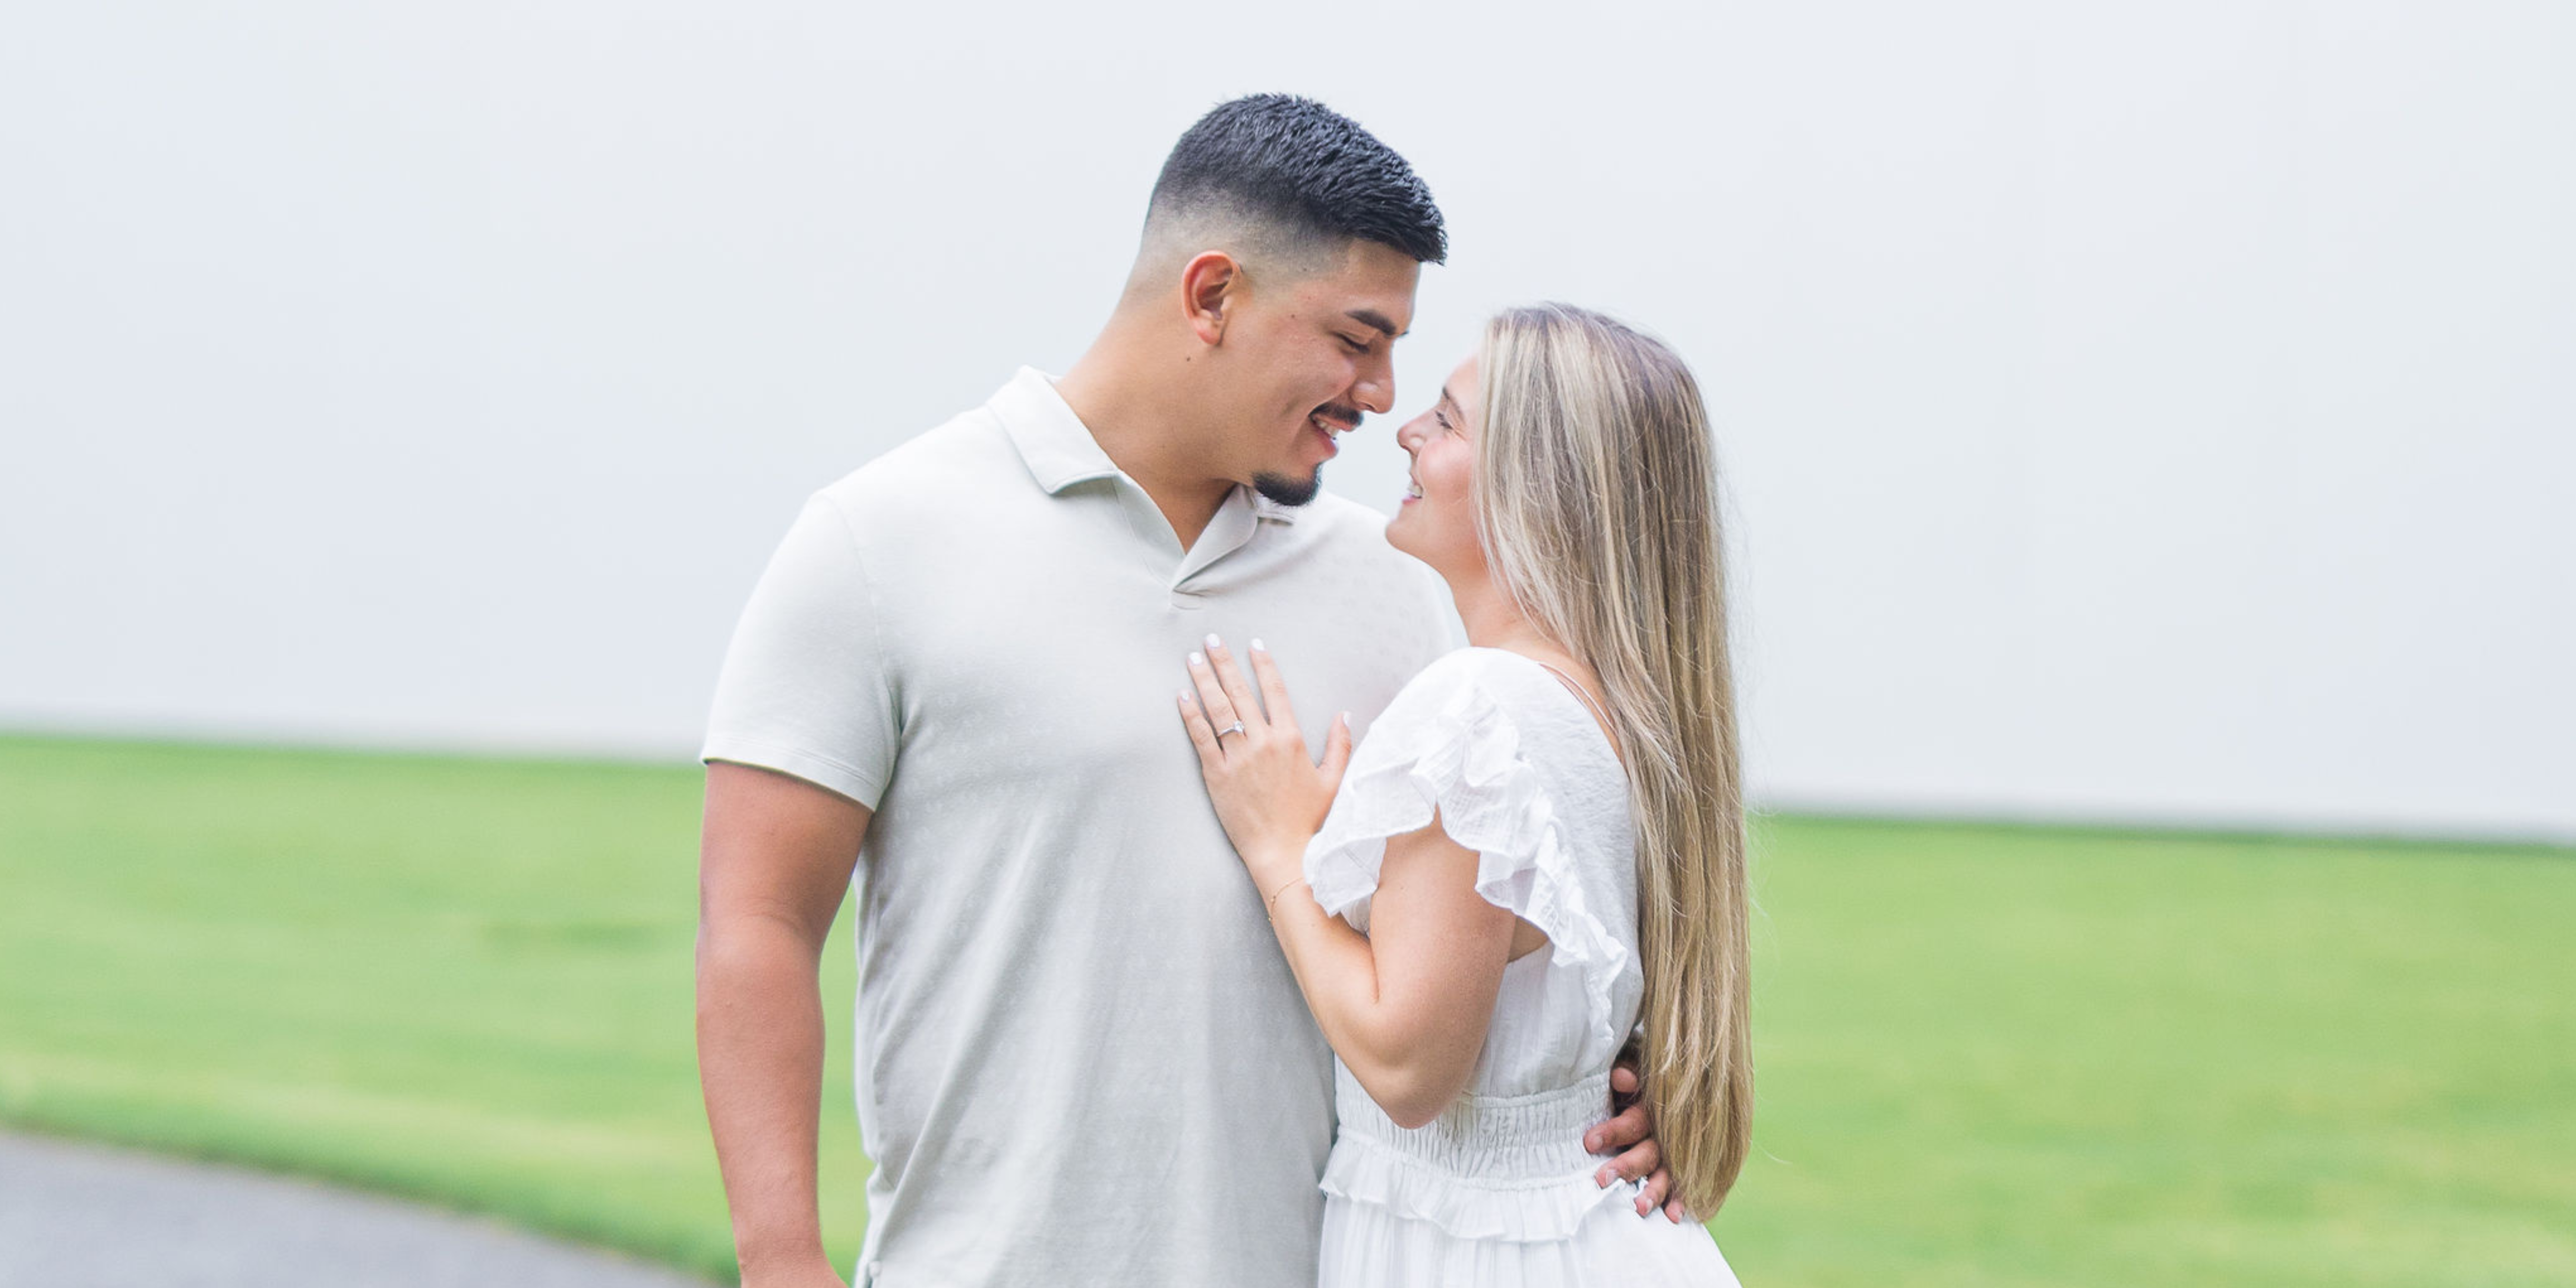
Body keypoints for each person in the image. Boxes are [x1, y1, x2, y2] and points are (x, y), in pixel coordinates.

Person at [694, 98, 1672, 1288]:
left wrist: (1607, 1101)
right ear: (1212, 297)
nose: (1381, 395)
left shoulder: (1401, 583)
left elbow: (1502, 908)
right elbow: (758, 923)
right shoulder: (877, 541)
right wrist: (780, 1257)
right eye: (1358, 339)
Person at [1177, 304, 1752, 1285]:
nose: (1405, 429)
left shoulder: (1477, 710)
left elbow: (1409, 1070)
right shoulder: (1608, 711)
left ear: (1541, 488)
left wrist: (1277, 844)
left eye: (1446, 421)